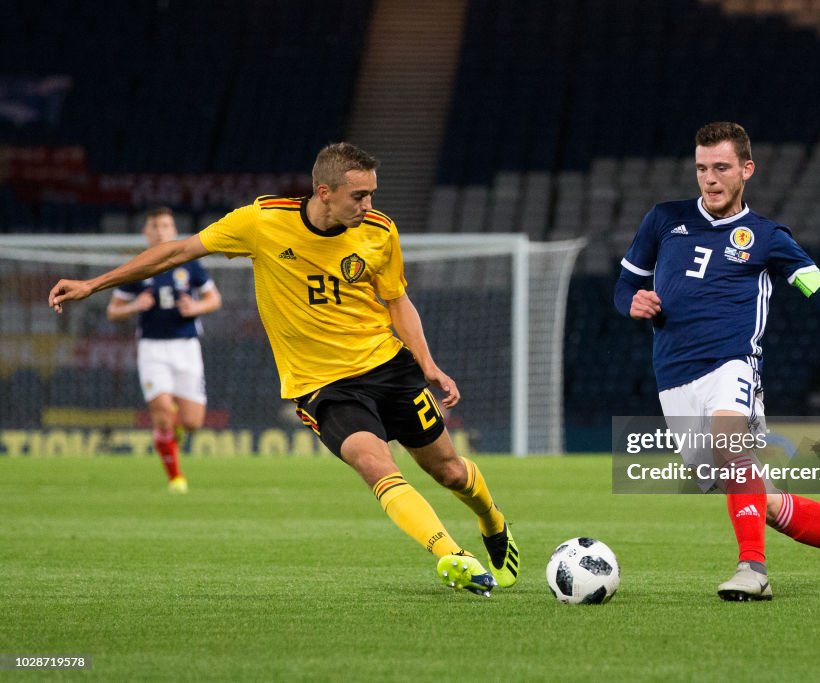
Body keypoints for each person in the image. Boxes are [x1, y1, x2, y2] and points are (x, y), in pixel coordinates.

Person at [50, 142, 519, 596]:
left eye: (372, 193)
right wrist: (94, 284)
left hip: (388, 367)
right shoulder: (261, 221)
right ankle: (451, 555)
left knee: (451, 473)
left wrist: (428, 364)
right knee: (375, 464)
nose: (368, 204)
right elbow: (176, 252)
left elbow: (397, 300)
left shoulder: (380, 230)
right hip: (321, 386)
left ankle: (492, 521)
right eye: (359, 195)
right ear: (324, 192)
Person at [614, 121, 820, 601]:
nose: (710, 178)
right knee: (762, 503)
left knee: (732, 446)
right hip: (673, 378)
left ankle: (753, 570)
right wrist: (632, 303)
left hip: (733, 365)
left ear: (747, 169)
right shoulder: (664, 219)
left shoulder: (766, 237)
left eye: (722, 167)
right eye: (702, 168)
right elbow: (626, 284)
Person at [107, 207, 222, 494]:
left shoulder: (190, 264)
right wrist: (135, 306)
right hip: (152, 348)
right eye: (155, 226)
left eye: (166, 226)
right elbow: (113, 310)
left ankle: (176, 430)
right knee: (160, 412)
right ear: (146, 232)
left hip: (186, 347)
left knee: (193, 422)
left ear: (174, 231)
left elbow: (213, 299)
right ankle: (175, 478)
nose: (160, 231)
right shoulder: (137, 267)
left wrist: (195, 307)